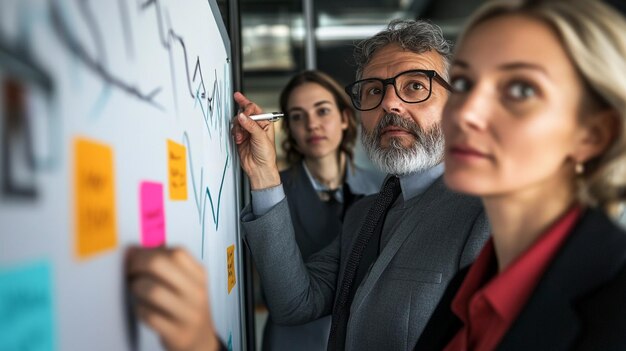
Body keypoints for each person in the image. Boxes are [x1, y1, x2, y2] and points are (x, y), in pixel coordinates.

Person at [232, 19, 489, 351]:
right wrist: (263, 174)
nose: (389, 103)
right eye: (374, 90)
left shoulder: (488, 212)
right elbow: (295, 303)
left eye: (414, 86)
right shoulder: (364, 215)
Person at [413, 0, 626, 350]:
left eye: (521, 89)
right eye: (464, 82)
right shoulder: (470, 286)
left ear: (594, 134)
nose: (466, 112)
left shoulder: (616, 305)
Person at [262, 70, 380, 351]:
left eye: (322, 111)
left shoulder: (383, 188)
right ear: (289, 129)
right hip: (294, 341)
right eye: (298, 116)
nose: (312, 124)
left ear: (344, 118)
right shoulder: (268, 191)